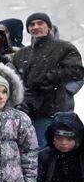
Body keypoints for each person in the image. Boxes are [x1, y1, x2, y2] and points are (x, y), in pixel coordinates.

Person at [12, 12, 83, 149]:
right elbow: (14, 80)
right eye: (32, 24)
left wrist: (49, 78)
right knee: (28, 154)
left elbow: (77, 71)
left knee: (47, 153)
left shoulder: (64, 48)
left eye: (40, 23)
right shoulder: (21, 54)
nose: (36, 27)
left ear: (49, 26)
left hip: (53, 111)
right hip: (26, 112)